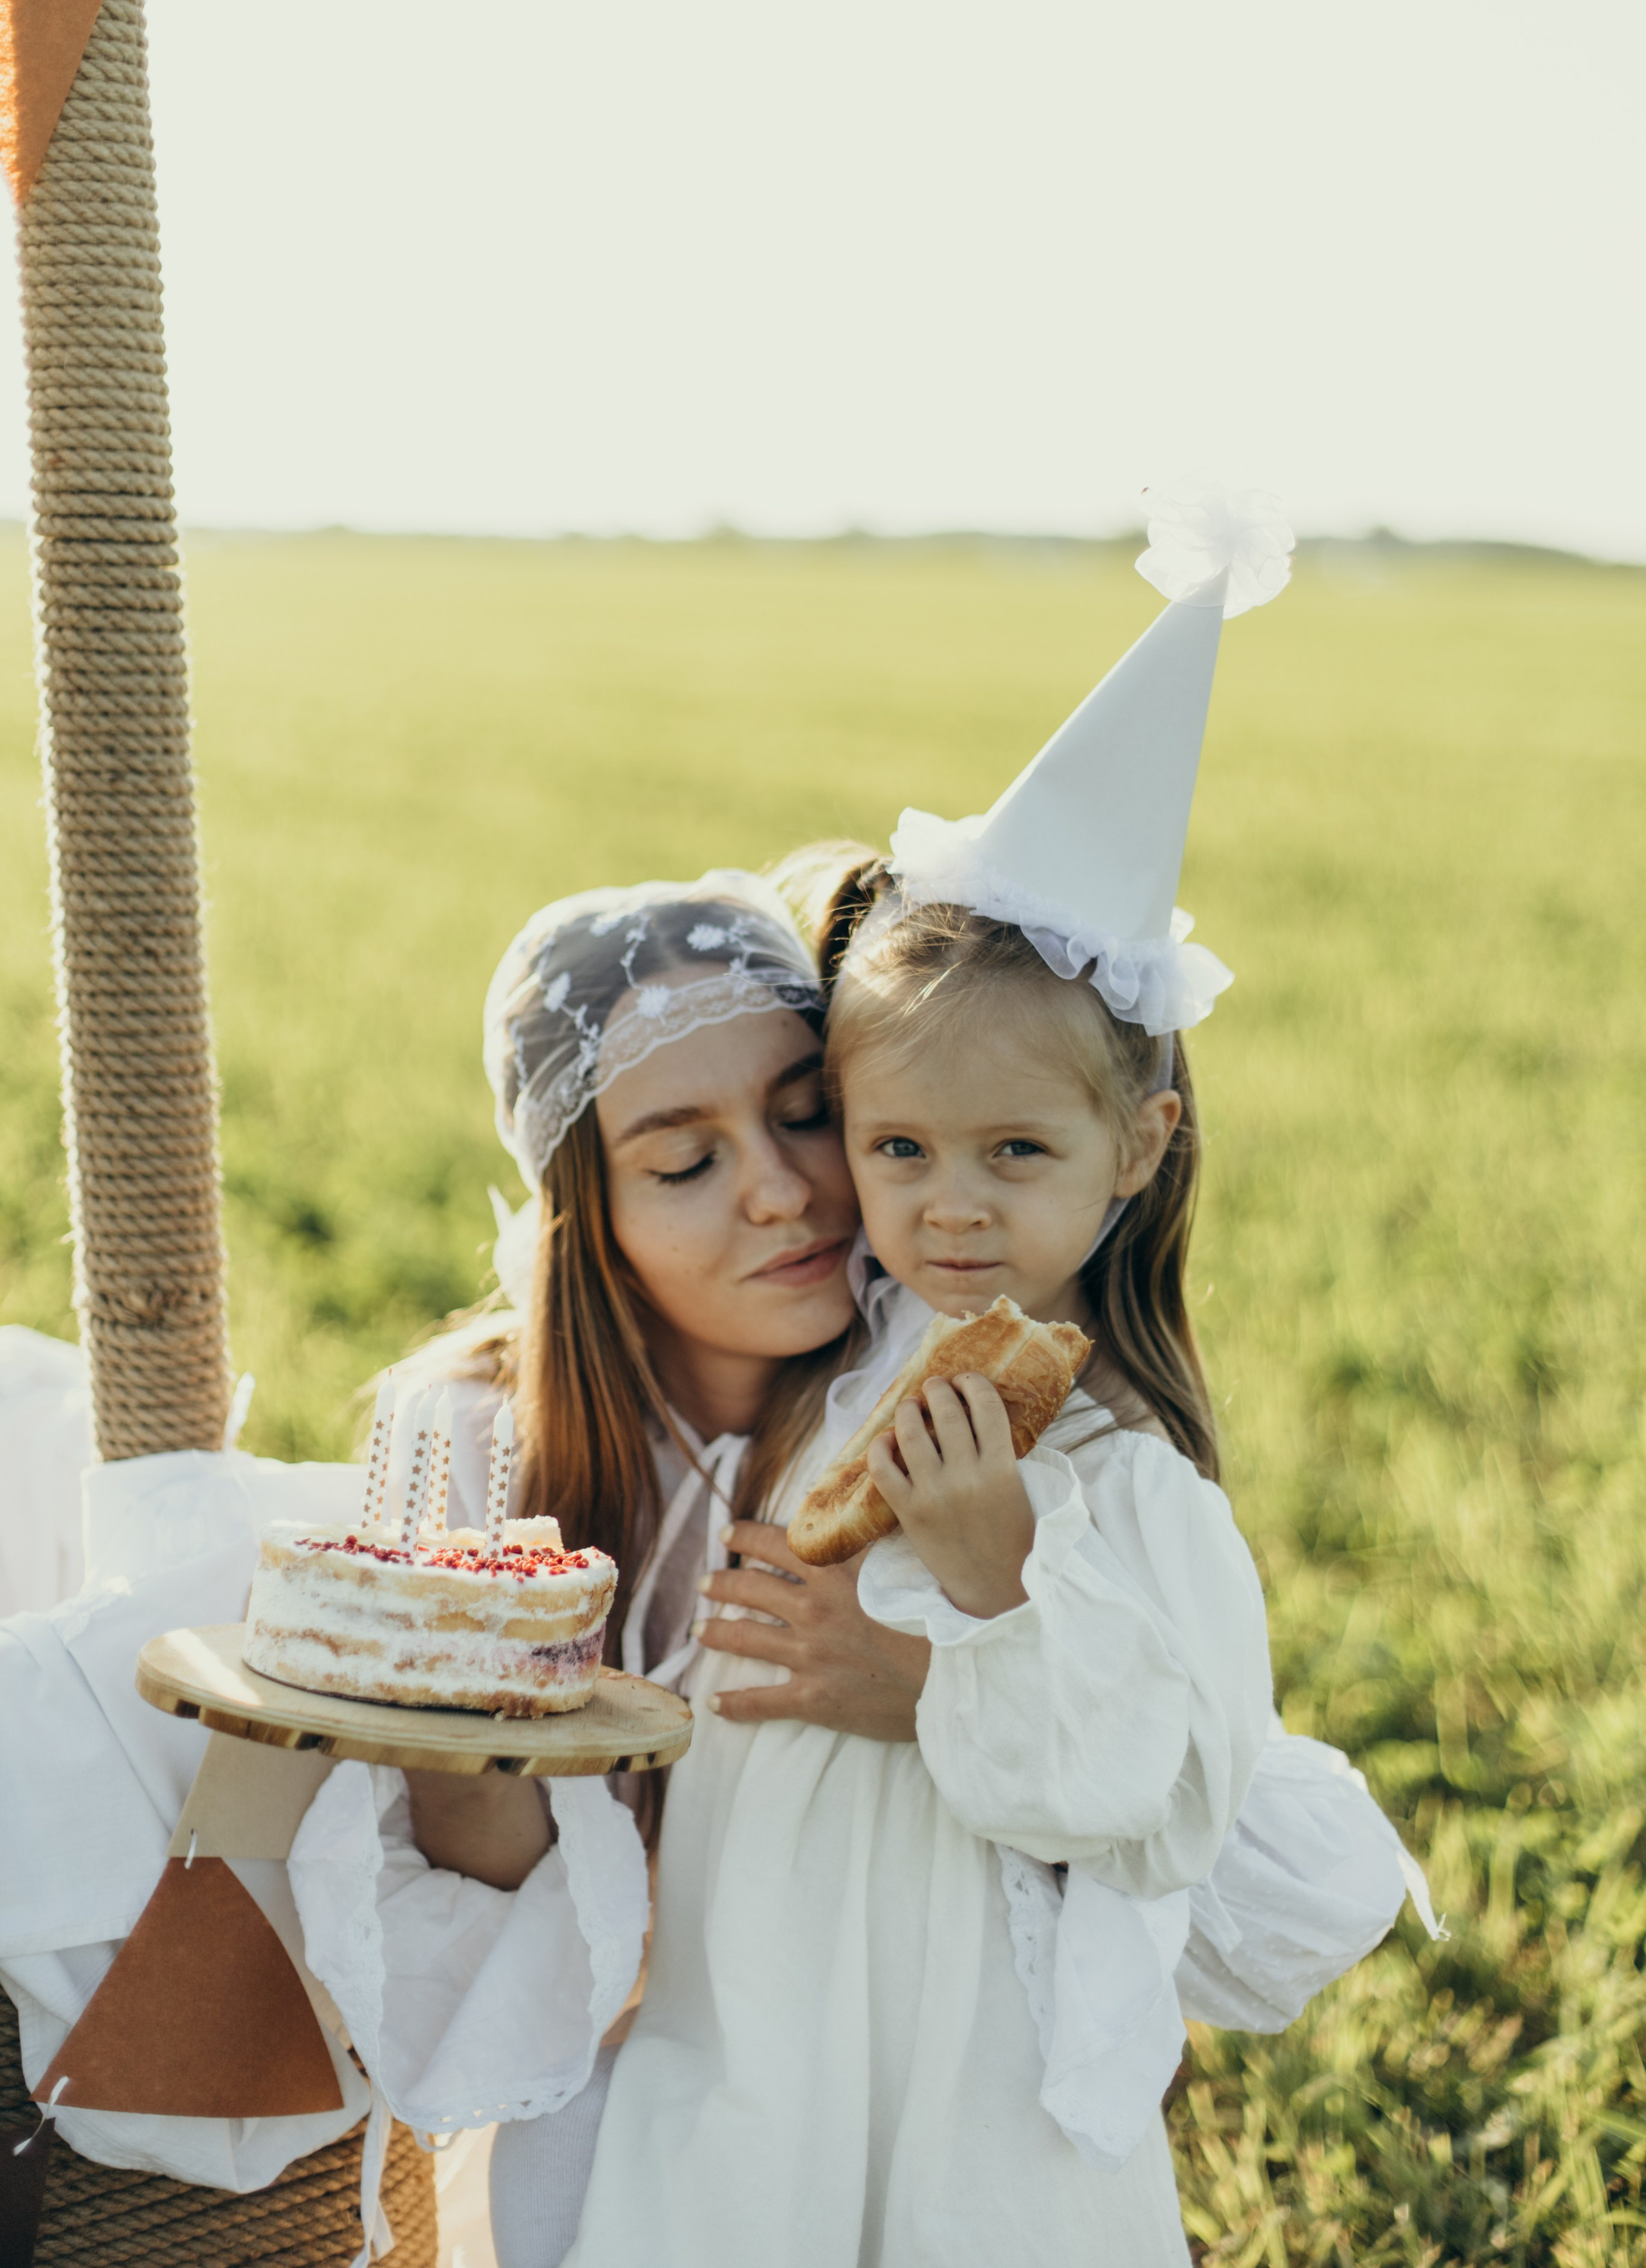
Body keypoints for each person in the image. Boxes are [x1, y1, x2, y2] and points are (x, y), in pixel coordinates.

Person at [287, 490, 1429, 2268]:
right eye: (895, 1142)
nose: (823, 1195)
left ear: (1134, 1149)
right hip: (710, 2034)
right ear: (590, 1219)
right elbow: (494, 1875)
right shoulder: (572, 1425)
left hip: (937, 2038)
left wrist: (947, 1642)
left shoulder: (1053, 1441)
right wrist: (467, 1702)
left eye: (811, 1120)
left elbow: (1159, 1776)